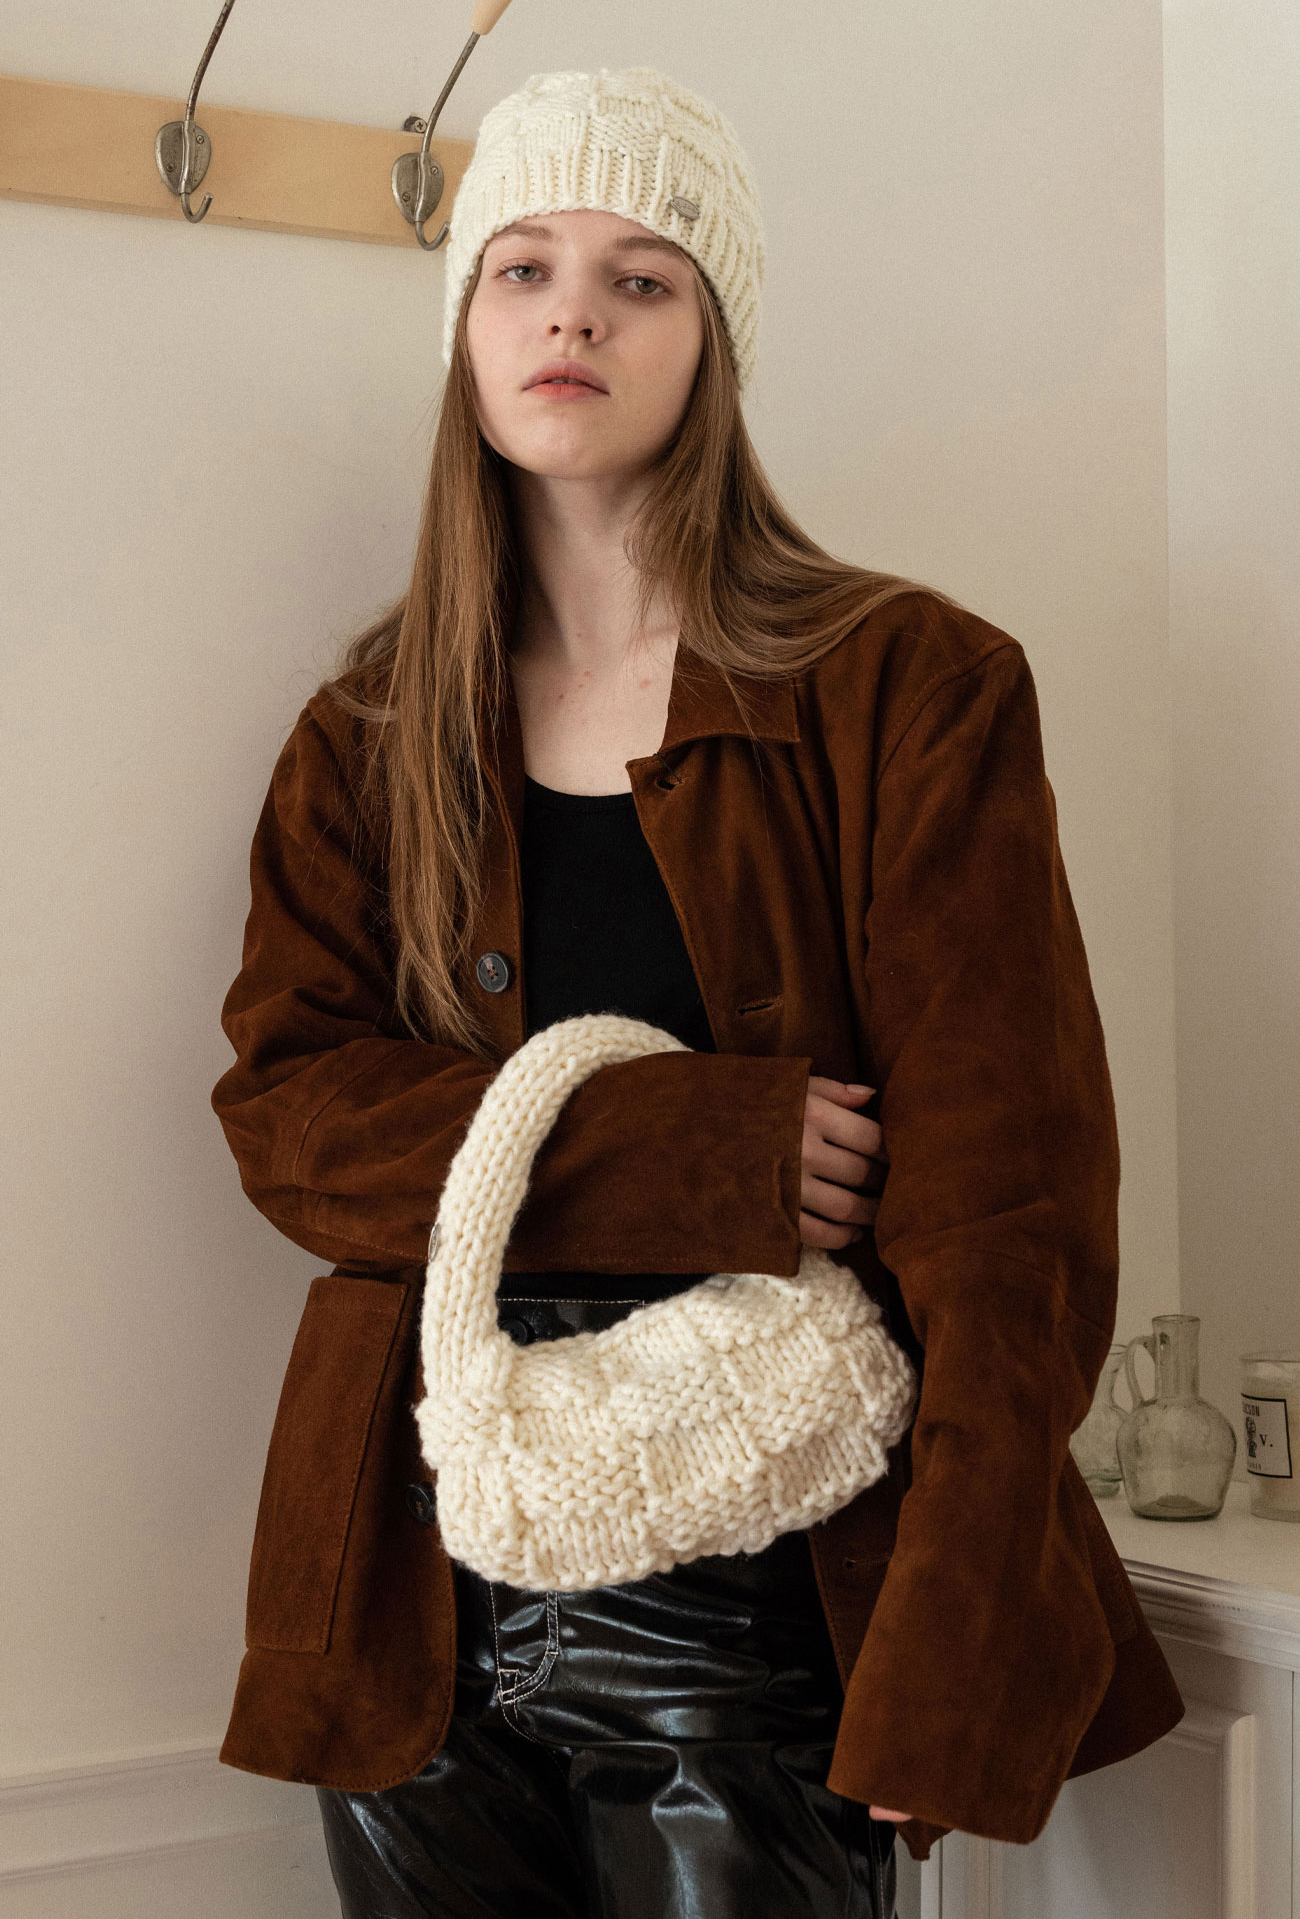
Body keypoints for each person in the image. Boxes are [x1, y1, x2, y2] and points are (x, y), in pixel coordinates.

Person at [210, 65, 1185, 1919]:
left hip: (767, 1587)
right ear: (466, 325)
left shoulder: (912, 688)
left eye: (639, 277)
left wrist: (951, 1635)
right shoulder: (369, 734)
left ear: (712, 338)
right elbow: (288, 1122)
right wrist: (697, 1150)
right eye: (522, 267)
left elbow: (1015, 1207)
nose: (571, 314)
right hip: (414, 1586)